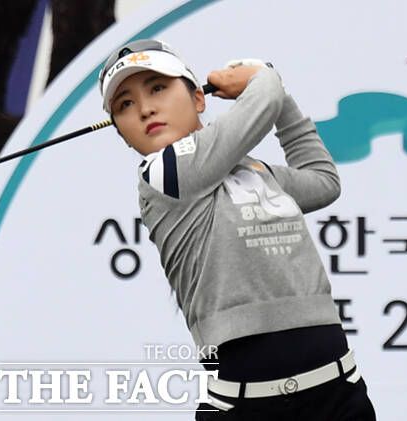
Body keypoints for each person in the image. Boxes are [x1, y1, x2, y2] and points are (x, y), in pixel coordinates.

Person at [98, 39, 377, 420]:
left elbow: (323, 180)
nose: (145, 108)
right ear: (121, 133)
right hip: (245, 407)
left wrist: (283, 101)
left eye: (158, 87)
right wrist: (265, 78)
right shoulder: (163, 175)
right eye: (125, 105)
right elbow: (263, 93)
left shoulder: (255, 171)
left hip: (338, 393)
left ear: (199, 99)